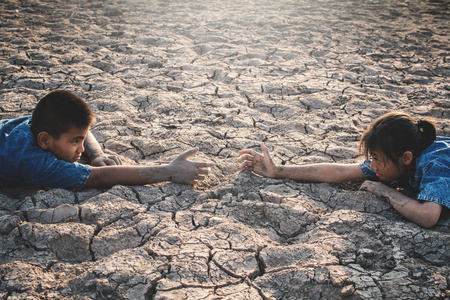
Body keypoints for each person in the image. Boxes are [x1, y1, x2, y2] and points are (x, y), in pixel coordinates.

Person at [238, 112, 449, 228]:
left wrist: (385, 192)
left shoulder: (434, 163)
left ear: (406, 158)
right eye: (372, 158)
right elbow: (339, 173)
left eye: (377, 159)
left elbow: (428, 216)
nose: (372, 166)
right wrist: (276, 171)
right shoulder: (394, 158)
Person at [0, 90, 213, 189]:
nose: (81, 148)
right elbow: (99, 178)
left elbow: (84, 131)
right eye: (75, 142)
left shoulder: (36, 122)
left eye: (81, 141)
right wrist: (170, 171)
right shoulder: (32, 160)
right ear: (44, 140)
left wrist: (97, 154)